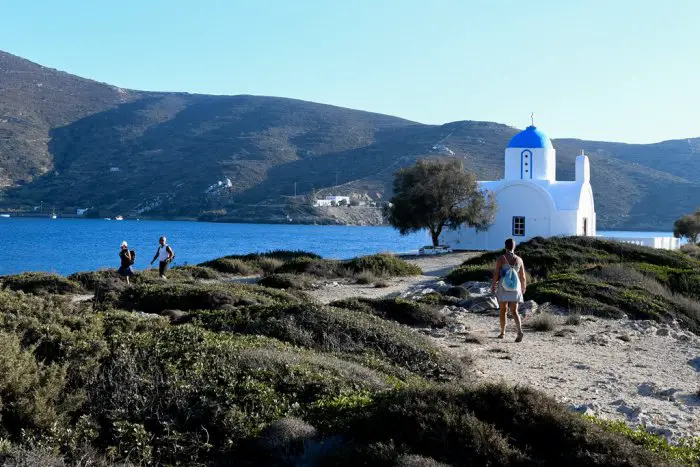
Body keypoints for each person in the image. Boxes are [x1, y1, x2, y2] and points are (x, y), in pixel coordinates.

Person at [491, 238, 527, 342]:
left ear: (505, 246)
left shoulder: (501, 258)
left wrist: (493, 285)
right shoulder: (519, 260)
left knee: (503, 310)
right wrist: (523, 288)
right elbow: (523, 276)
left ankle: (502, 333)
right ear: (514, 247)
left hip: (503, 286)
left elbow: (496, 274)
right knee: (515, 311)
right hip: (515, 287)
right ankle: (519, 331)